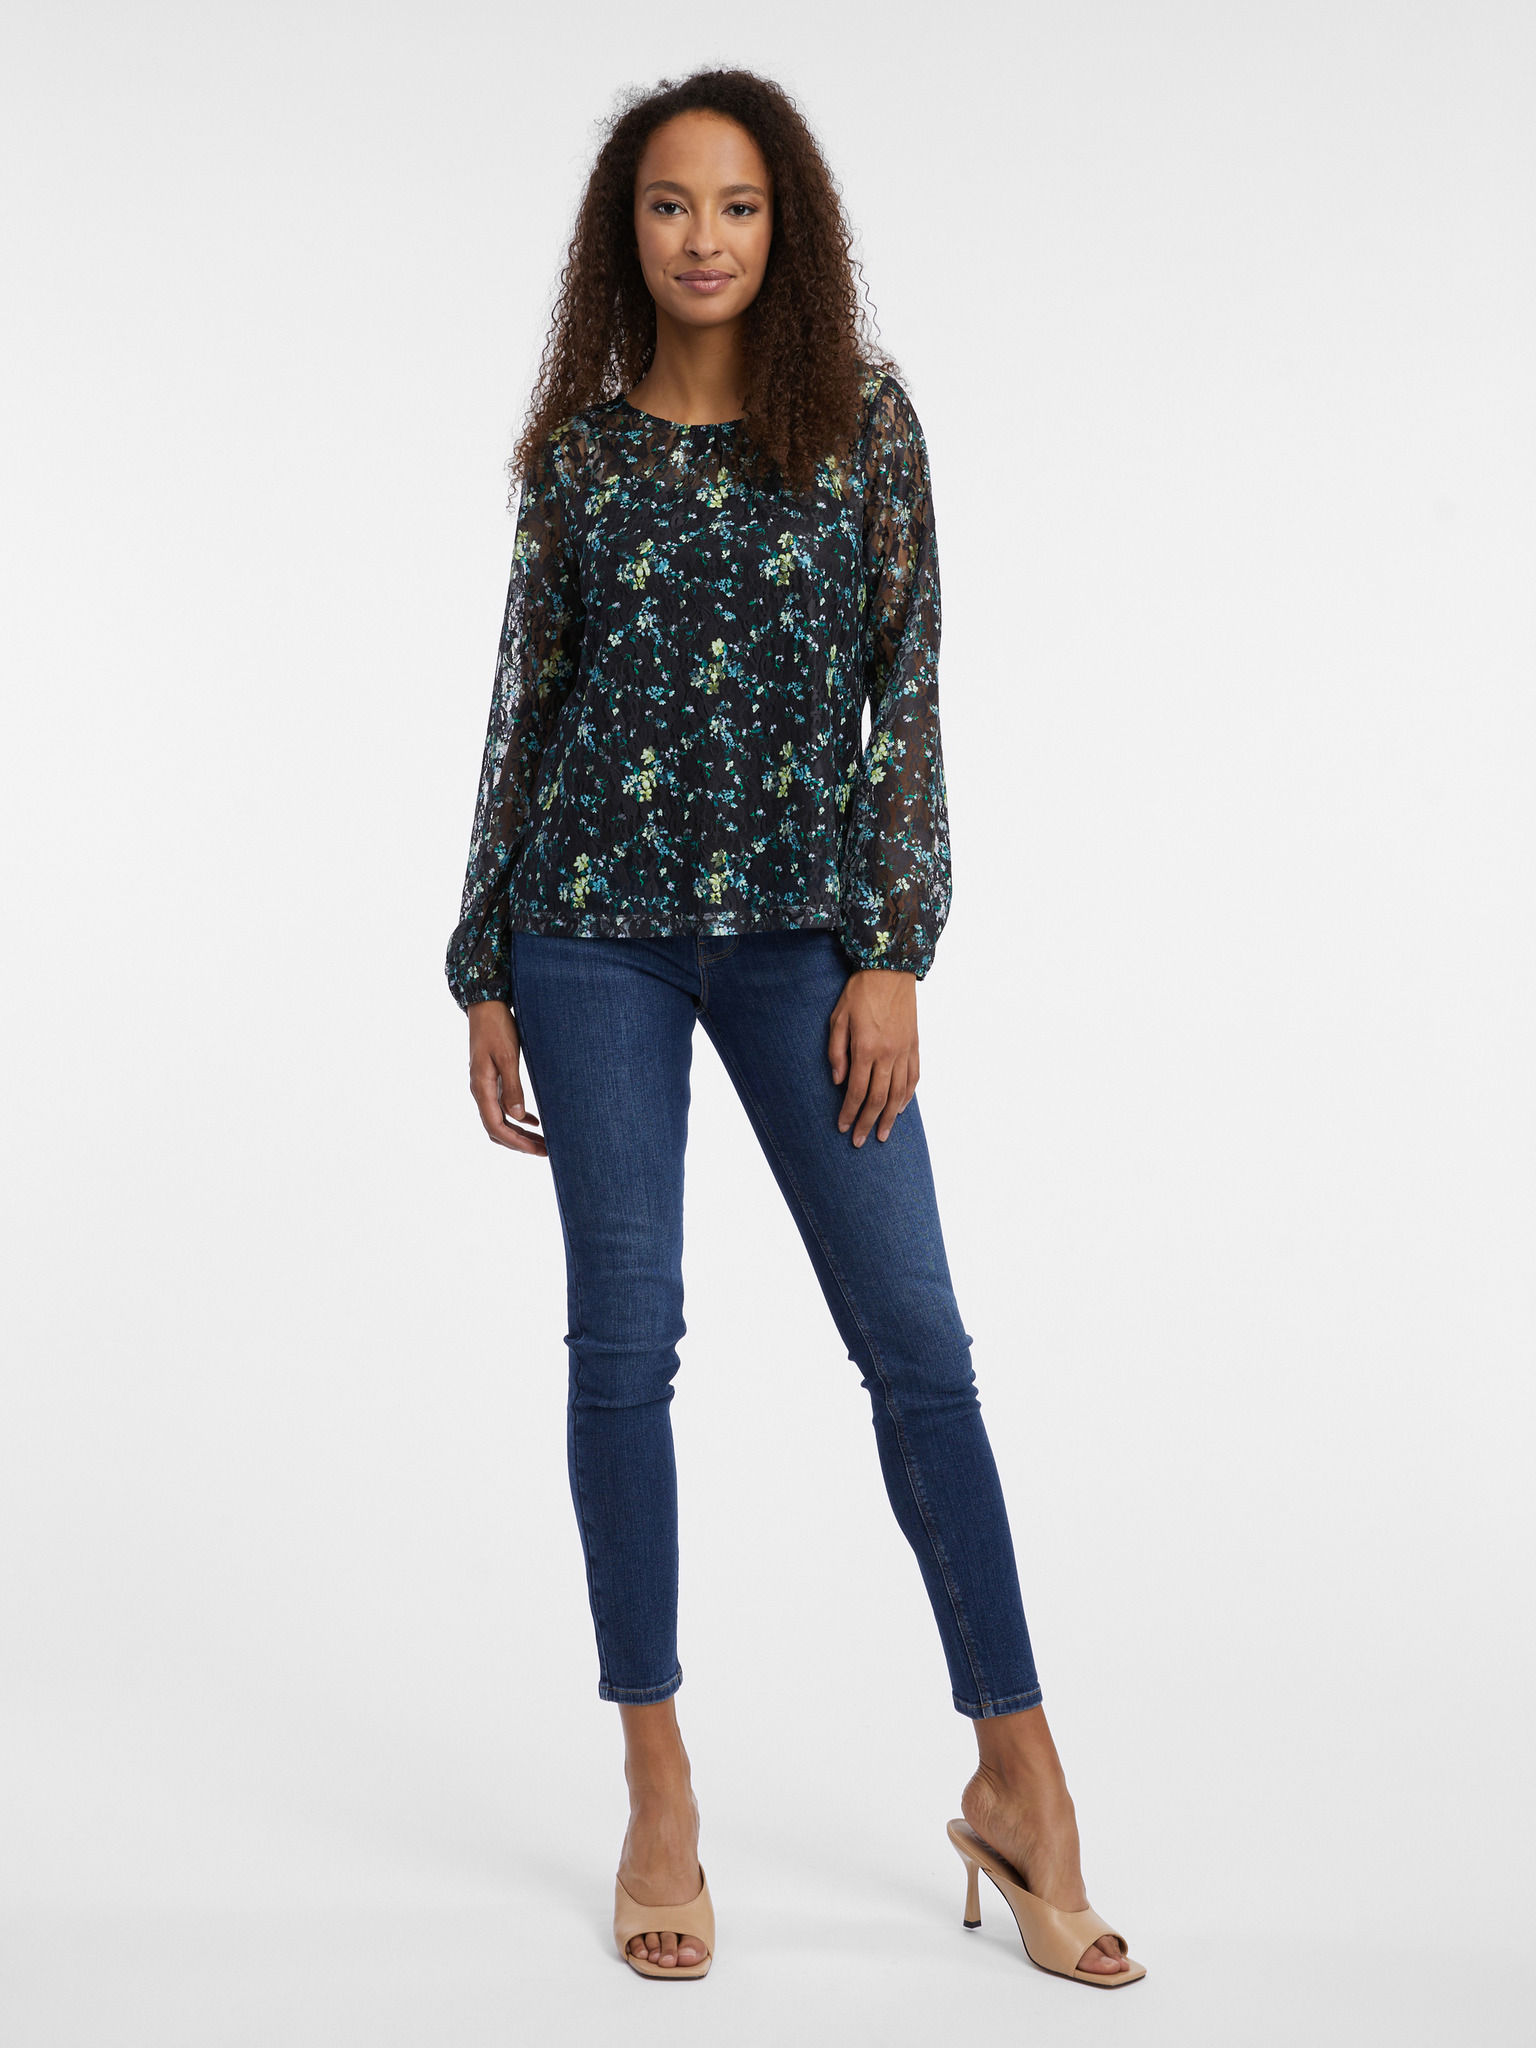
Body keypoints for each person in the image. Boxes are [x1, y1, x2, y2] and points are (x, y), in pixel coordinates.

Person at [446, 68, 1143, 1989]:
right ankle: (657, 1783)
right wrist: (485, 957)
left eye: (738, 206)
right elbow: (526, 702)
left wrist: (892, 949)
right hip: (591, 937)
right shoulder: (580, 459)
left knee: (917, 1342)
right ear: (626, 233)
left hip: (803, 948)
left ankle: (1022, 1779)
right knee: (625, 1345)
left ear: (787, 229)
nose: (704, 238)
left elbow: (908, 685)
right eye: (671, 206)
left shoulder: (860, 426)